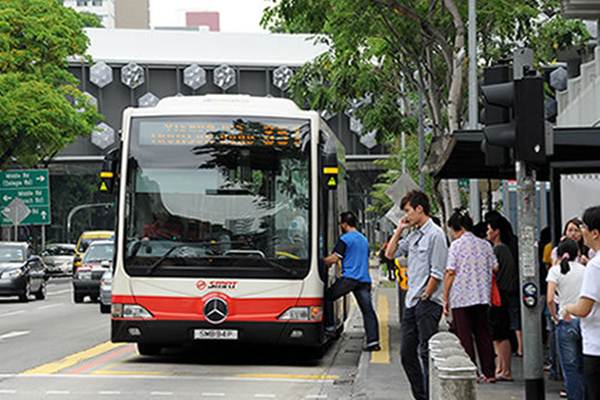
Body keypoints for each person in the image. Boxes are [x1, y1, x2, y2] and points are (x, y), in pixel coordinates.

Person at [385, 190, 447, 400]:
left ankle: (429, 395)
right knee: (406, 354)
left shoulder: (436, 234)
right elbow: (390, 254)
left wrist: (425, 296)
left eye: (408, 211)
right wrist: (399, 230)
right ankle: (421, 395)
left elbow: (437, 272)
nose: (406, 215)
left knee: (425, 353)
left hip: (427, 303)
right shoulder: (414, 234)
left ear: (420, 209)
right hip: (411, 302)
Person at [443, 209, 497, 383]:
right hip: (482, 296)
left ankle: (470, 371)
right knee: (483, 334)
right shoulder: (485, 245)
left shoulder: (456, 246)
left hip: (461, 297)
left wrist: (445, 297)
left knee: (465, 336)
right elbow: (495, 267)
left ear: (457, 228)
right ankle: (489, 373)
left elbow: (450, 272)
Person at [323, 211, 380, 352]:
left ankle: (330, 327)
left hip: (350, 279)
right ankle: (373, 341)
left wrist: (319, 262)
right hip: (364, 280)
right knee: (368, 311)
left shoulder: (345, 239)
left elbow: (335, 258)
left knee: (328, 297)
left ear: (344, 224)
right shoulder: (363, 239)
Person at [563, 206, 600, 400]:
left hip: (596, 345)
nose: (581, 230)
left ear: (595, 233)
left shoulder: (595, 265)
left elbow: (584, 308)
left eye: (584, 226)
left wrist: (568, 307)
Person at [547, 238, 585, 400]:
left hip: (565, 320)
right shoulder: (585, 269)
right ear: (578, 253)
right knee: (584, 365)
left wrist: (555, 316)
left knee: (569, 367)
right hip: (583, 320)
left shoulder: (555, 271)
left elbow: (549, 299)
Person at [486, 214, 518, 381]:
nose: (487, 232)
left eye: (489, 229)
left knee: (500, 335)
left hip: (499, 296)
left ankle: (505, 369)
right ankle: (501, 368)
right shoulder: (503, 249)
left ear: (496, 231)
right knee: (498, 335)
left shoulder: (499, 250)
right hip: (502, 295)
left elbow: (494, 273)